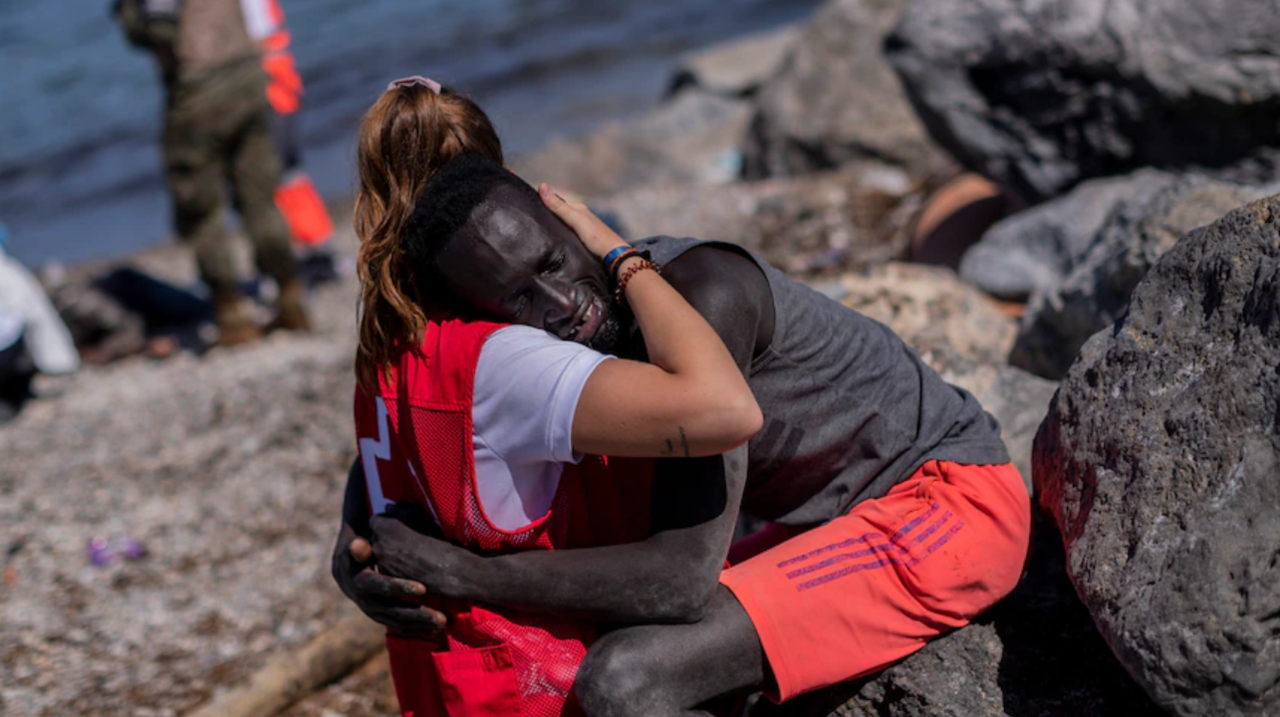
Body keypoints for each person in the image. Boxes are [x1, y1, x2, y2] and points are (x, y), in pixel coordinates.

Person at [335, 82, 1032, 716]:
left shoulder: (703, 294)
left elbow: (679, 581)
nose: (562, 306)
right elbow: (418, 419)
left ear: (567, 217)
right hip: (834, 520)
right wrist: (358, 537)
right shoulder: (545, 336)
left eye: (554, 263)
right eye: (519, 301)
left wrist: (465, 574)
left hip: (942, 504)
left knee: (625, 678)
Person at [342, 78, 761, 716]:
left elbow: (392, 461)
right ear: (502, 184)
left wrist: (353, 538)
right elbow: (723, 412)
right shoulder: (507, 359)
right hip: (544, 683)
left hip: (445, 684)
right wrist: (623, 258)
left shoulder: (387, 344)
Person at [113, 0, 311, 345]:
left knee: (201, 209)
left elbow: (156, 31)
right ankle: (290, 293)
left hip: (199, 89)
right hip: (247, 74)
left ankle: (232, 314)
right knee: (260, 198)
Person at [238, 0, 339, 283]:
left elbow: (257, 37)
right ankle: (311, 249)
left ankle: (313, 250)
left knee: (280, 174)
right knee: (285, 173)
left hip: (270, 87)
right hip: (275, 82)